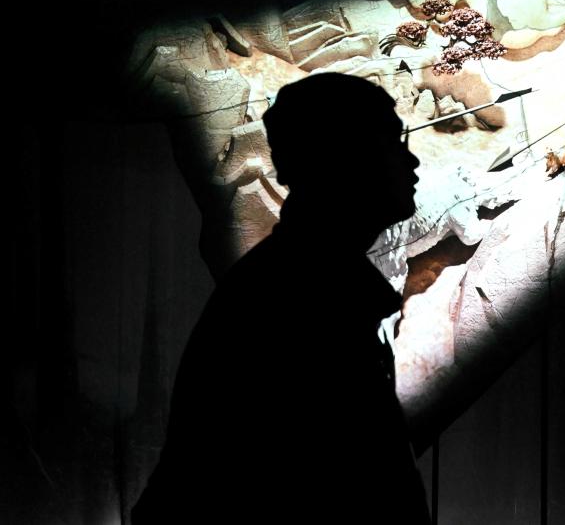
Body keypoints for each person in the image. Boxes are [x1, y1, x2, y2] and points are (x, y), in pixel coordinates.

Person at [132, 73, 430, 523]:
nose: (412, 160)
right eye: (393, 141)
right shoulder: (295, 303)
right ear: (343, 157)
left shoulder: (303, 287)